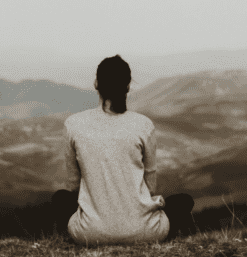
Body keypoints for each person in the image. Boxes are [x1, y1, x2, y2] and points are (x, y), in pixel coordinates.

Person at [52, 55, 195, 245]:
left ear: (96, 84)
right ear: (127, 86)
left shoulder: (73, 124)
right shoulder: (144, 125)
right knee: (184, 201)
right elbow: (150, 187)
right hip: (146, 232)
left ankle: (75, 236)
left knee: (60, 198)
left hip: (89, 234)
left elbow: (74, 187)